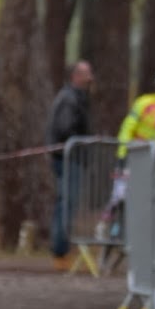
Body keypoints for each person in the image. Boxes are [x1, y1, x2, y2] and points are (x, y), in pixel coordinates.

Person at [45, 59, 94, 271]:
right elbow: (65, 128)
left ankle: (62, 250)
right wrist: (80, 143)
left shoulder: (77, 98)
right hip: (67, 159)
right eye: (86, 72)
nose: (91, 76)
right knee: (66, 204)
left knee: (67, 203)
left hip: (70, 158)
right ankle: (60, 251)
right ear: (76, 76)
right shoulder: (69, 99)